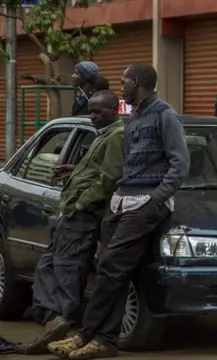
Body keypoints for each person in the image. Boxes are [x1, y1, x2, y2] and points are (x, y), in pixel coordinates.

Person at [47, 63, 190, 360]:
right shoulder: (133, 118)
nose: (120, 87)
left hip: (146, 203)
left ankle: (87, 334)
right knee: (112, 271)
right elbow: (126, 164)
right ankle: (105, 339)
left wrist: (155, 200)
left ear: (136, 82)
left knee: (112, 266)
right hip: (121, 199)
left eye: (124, 82)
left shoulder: (165, 115)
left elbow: (180, 165)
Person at [17, 90, 125, 355]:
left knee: (67, 270)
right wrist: (75, 171)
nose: (92, 116)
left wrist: (81, 202)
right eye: (90, 111)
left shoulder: (117, 136)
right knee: (48, 265)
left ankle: (64, 323)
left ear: (114, 110)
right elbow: (98, 170)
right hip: (73, 212)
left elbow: (110, 177)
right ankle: (54, 320)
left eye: (98, 112)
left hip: (84, 214)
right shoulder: (104, 135)